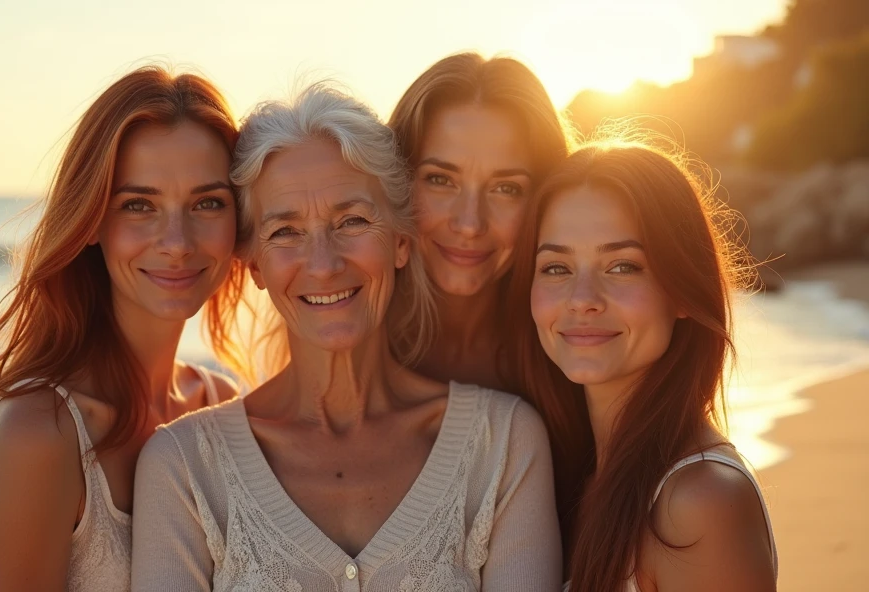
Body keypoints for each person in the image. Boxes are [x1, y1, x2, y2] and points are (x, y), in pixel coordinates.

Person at [131, 83, 562, 591]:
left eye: (352, 220)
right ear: (254, 265)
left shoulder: (504, 442)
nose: (324, 264)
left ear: (401, 241)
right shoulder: (183, 467)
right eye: (285, 232)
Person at [0, 65, 244, 592]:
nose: (177, 241)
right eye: (139, 205)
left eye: (208, 203)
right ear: (92, 221)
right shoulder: (38, 434)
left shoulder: (221, 406)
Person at [511, 138, 778, 591]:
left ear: (681, 291)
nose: (582, 300)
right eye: (556, 267)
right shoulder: (569, 478)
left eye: (622, 267)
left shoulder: (701, 503)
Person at [387, 52, 572, 393]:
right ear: (396, 180)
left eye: (506, 188)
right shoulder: (350, 337)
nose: (470, 224)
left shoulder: (572, 352)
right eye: (440, 180)